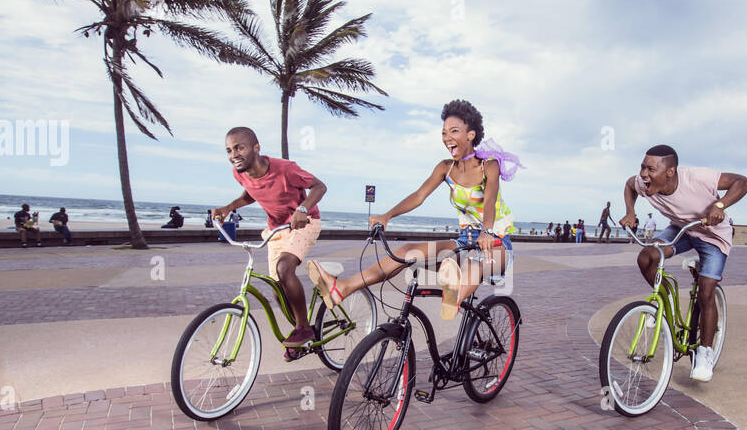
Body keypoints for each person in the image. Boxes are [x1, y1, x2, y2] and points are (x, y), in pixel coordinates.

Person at [308, 99, 521, 322]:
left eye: (454, 131)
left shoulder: (489, 166)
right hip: (465, 240)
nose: (447, 138)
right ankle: (343, 288)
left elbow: (489, 200)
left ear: (470, 135)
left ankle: (453, 298)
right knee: (407, 251)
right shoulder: (445, 168)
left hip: (496, 243)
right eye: (444, 133)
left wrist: (487, 230)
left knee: (475, 263)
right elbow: (419, 196)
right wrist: (387, 215)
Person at [619, 144, 747, 383]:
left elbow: (743, 182)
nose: (644, 174)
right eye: (642, 167)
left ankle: (704, 353)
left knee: (706, 291)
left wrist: (719, 205)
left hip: (713, 236)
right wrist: (630, 211)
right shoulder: (643, 183)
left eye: (650, 168)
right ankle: (665, 300)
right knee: (647, 257)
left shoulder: (697, 178)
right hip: (683, 230)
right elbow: (629, 186)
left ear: (670, 171)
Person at [213, 127, 326, 355]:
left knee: (285, 268)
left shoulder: (285, 169)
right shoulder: (240, 172)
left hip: (305, 223)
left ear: (256, 148)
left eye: (239, 148)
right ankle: (300, 332)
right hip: (276, 230)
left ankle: (304, 328)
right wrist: (228, 207)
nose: (233, 154)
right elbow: (251, 193)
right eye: (229, 150)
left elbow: (319, 186)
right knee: (277, 287)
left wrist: (302, 209)